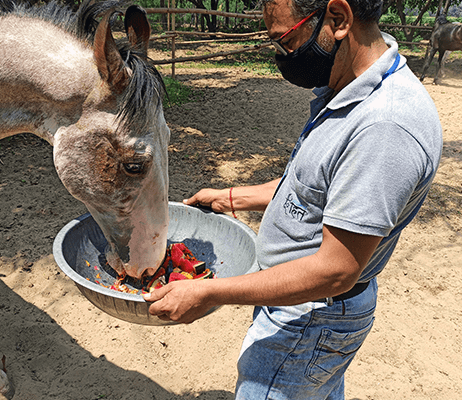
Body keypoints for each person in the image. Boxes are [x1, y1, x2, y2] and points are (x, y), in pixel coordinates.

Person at [143, 0, 443, 398]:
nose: (281, 56)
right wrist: (229, 197)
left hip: (311, 316)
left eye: (285, 40)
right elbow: (309, 188)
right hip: (300, 306)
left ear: (337, 19)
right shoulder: (347, 88)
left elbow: (336, 271)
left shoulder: (384, 128)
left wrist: (208, 292)